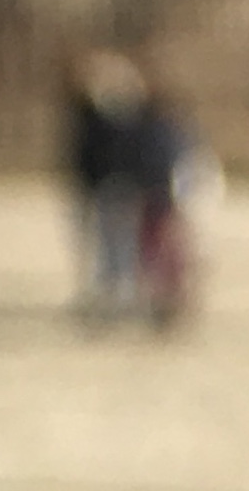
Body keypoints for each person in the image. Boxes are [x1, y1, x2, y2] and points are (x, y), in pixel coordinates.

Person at [66, 53, 146, 316]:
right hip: (97, 186)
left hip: (120, 186)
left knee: (121, 245)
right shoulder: (90, 115)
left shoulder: (128, 117)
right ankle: (105, 293)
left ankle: (121, 295)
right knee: (102, 245)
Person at [130, 85, 208, 328]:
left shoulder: (167, 137)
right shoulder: (173, 137)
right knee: (165, 254)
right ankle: (166, 300)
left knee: (167, 254)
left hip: (165, 201)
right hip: (161, 200)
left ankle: (170, 300)